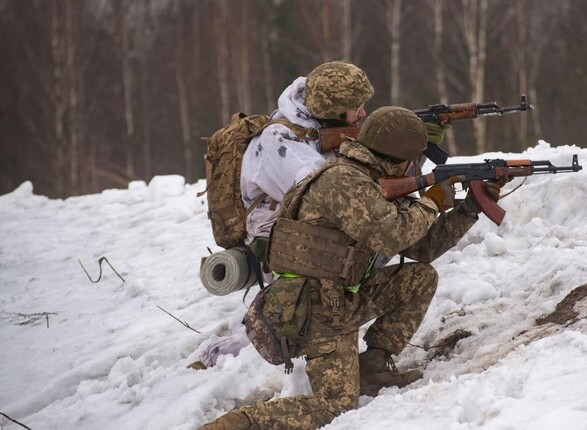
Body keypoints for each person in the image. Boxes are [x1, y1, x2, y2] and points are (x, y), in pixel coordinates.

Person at [198, 107, 502, 430]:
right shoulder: (343, 183)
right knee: (335, 407)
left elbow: (422, 246)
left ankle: (371, 369)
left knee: (419, 279)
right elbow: (392, 234)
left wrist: (470, 208)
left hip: (339, 298)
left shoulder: (370, 179)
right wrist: (432, 202)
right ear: (396, 158)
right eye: (411, 159)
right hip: (313, 312)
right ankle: (241, 423)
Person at [193, 61, 449, 368]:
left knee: (381, 233)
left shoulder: (319, 126)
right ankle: (240, 349)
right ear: (333, 108)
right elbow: (339, 195)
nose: (362, 114)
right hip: (279, 247)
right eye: (356, 108)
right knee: (374, 232)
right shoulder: (280, 142)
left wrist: (411, 146)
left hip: (306, 237)